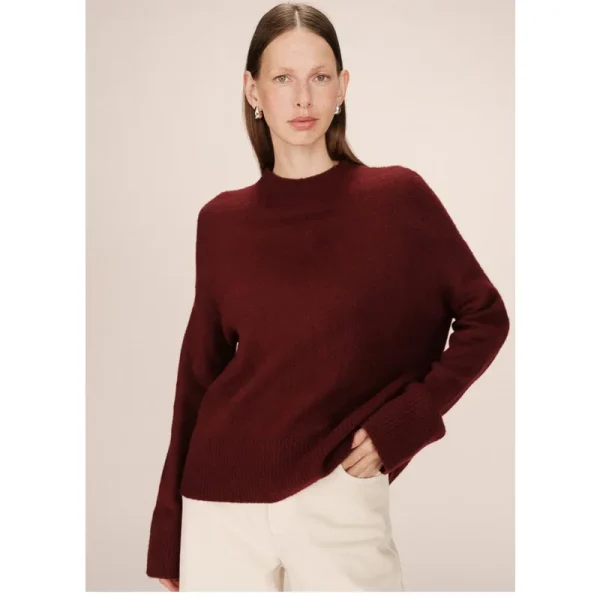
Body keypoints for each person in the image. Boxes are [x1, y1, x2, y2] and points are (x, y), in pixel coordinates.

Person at [145, 2, 510, 592]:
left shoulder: (397, 199)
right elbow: (197, 375)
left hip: (338, 492)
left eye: (318, 77)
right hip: (219, 503)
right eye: (282, 78)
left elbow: (484, 317)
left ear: (342, 86)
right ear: (253, 91)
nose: (302, 98)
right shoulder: (221, 221)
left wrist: (408, 422)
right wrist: (169, 533)